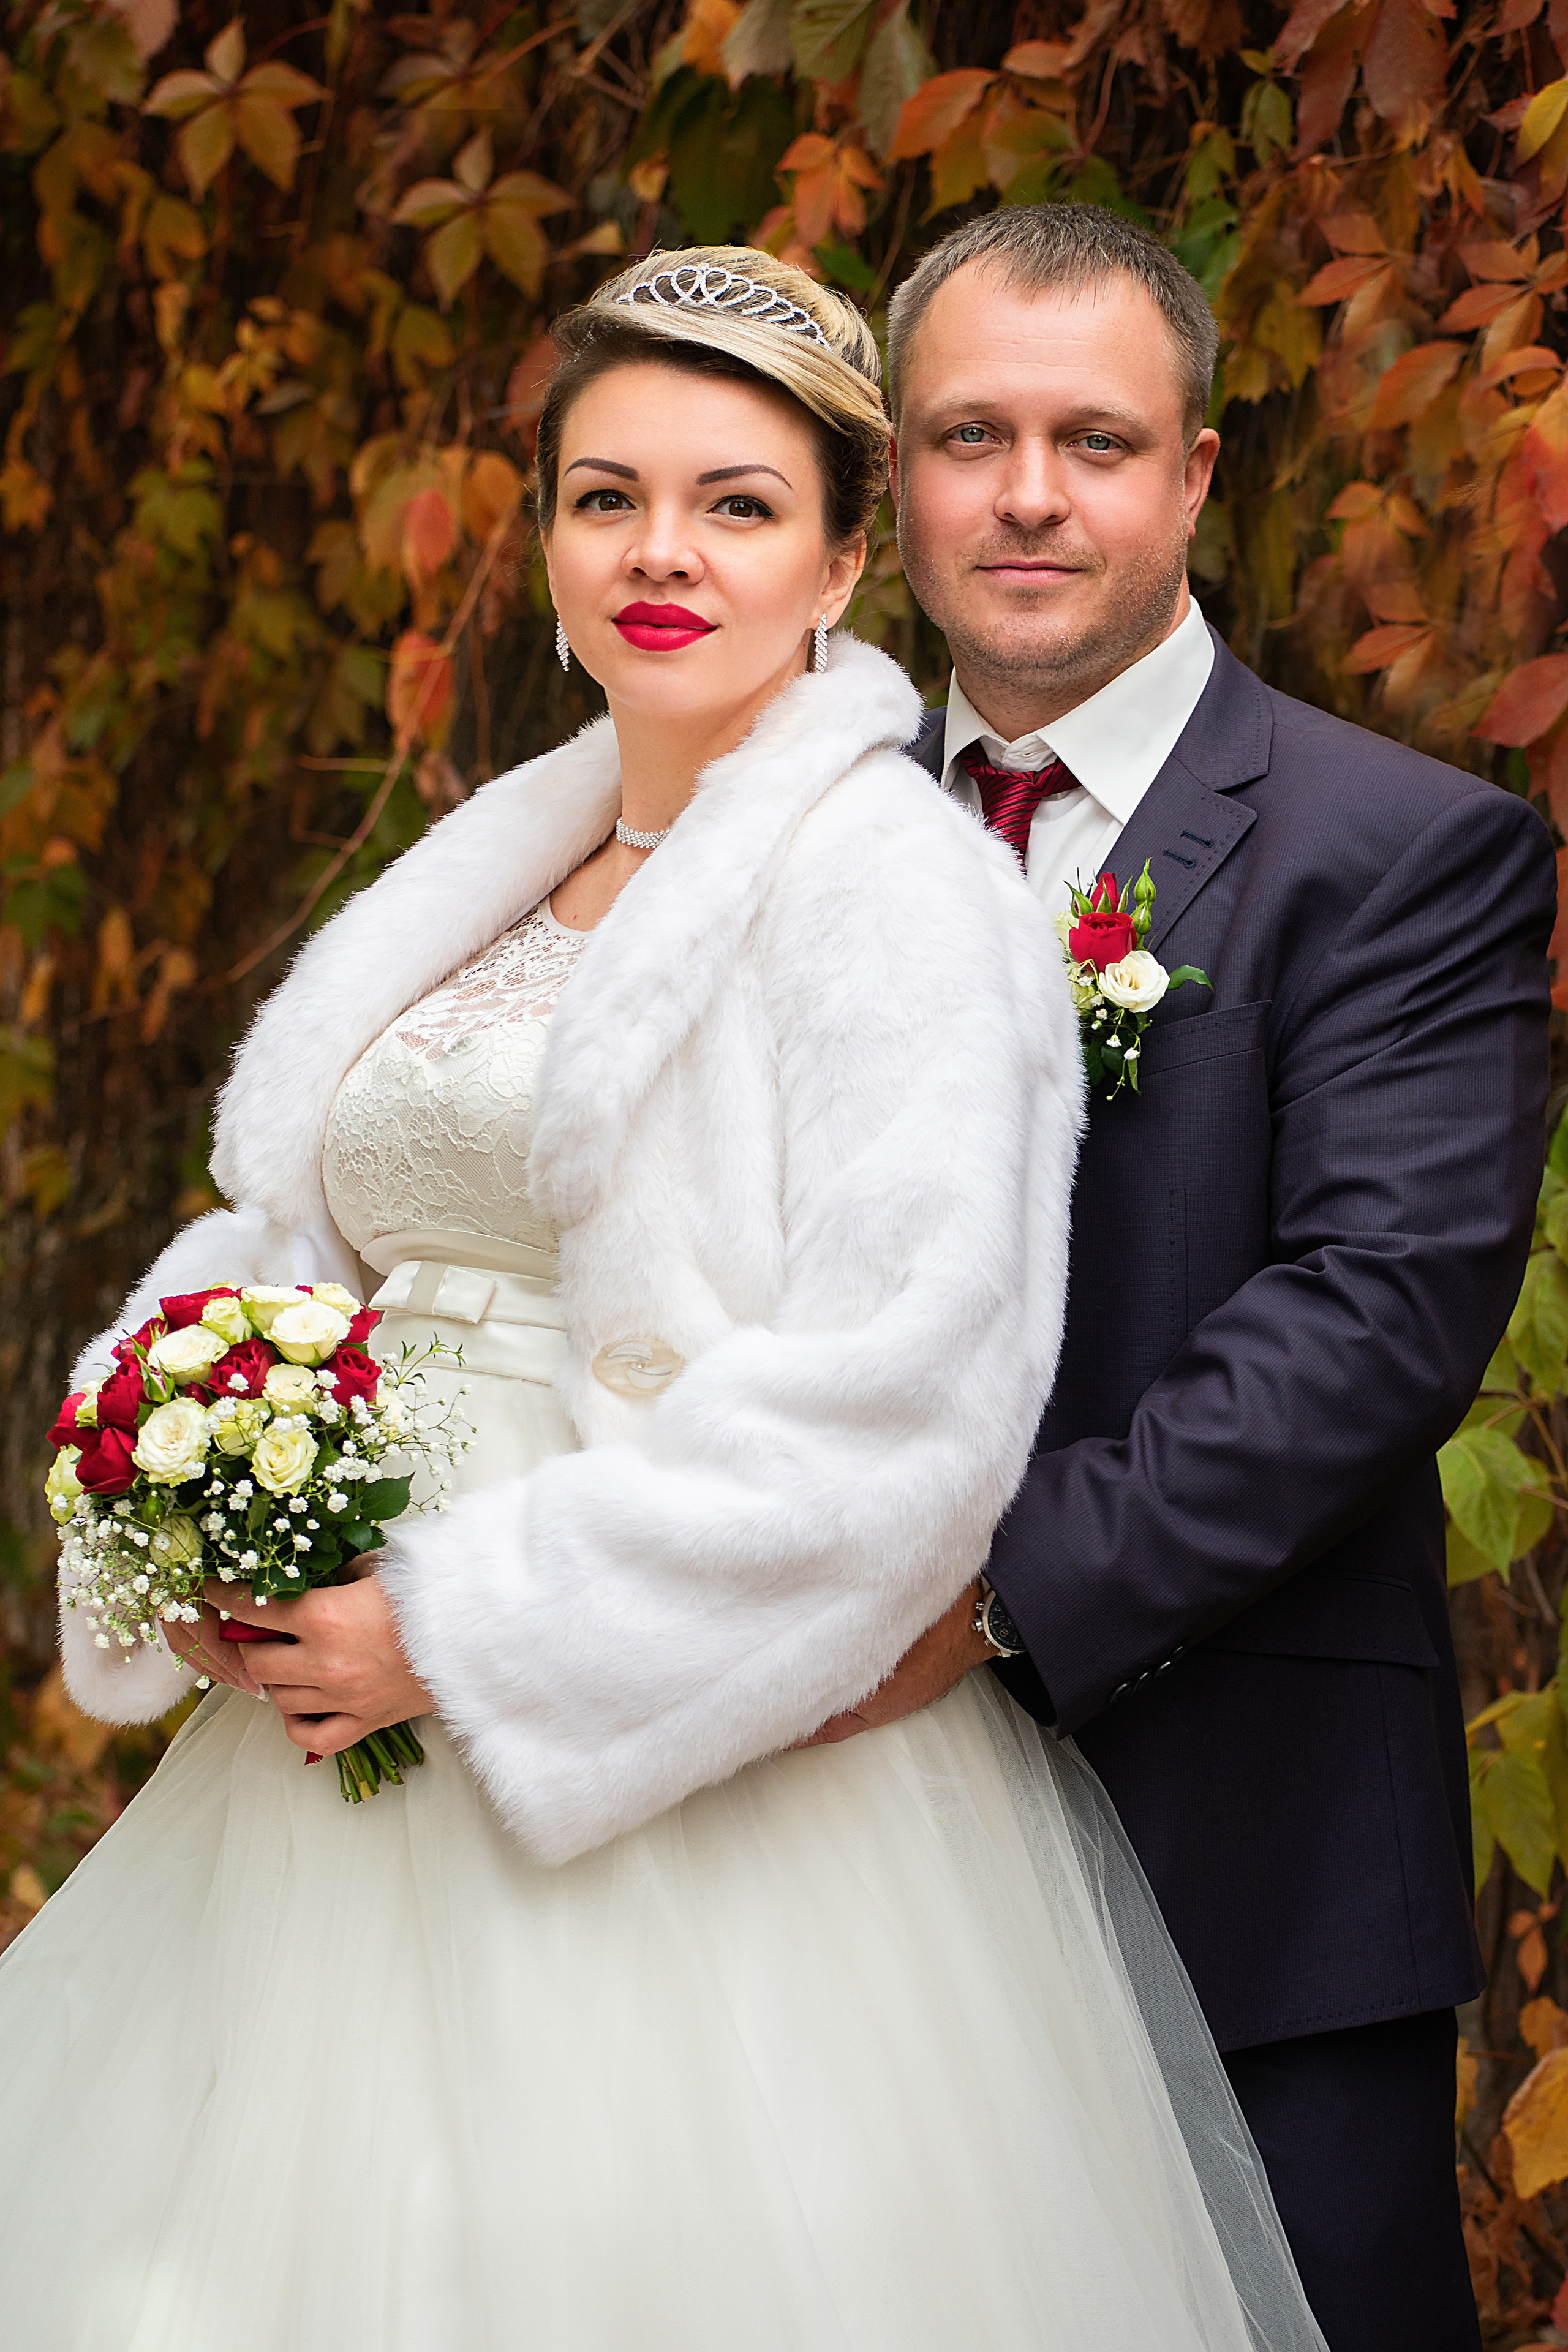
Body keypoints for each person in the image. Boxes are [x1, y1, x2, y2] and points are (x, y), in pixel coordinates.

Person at [0, 247, 1328, 2351]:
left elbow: (904, 1404)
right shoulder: (493, 867)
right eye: (606, 495)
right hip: (319, 1765)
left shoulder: (897, 891)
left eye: (734, 502)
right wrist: (184, 1505)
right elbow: (291, 1241)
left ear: (839, 558)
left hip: (664, 1754)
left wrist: (456, 1629)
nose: (661, 553)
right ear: (539, 540)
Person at [805, 202, 1557, 2352]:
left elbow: (1372, 1321)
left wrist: (971, 1610)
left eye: (1095, 441)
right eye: (970, 435)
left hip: (1244, 1851)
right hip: (804, 1846)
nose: (1030, 496)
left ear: (1198, 474)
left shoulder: (1395, 851)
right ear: (896, 481)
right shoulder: (784, 838)